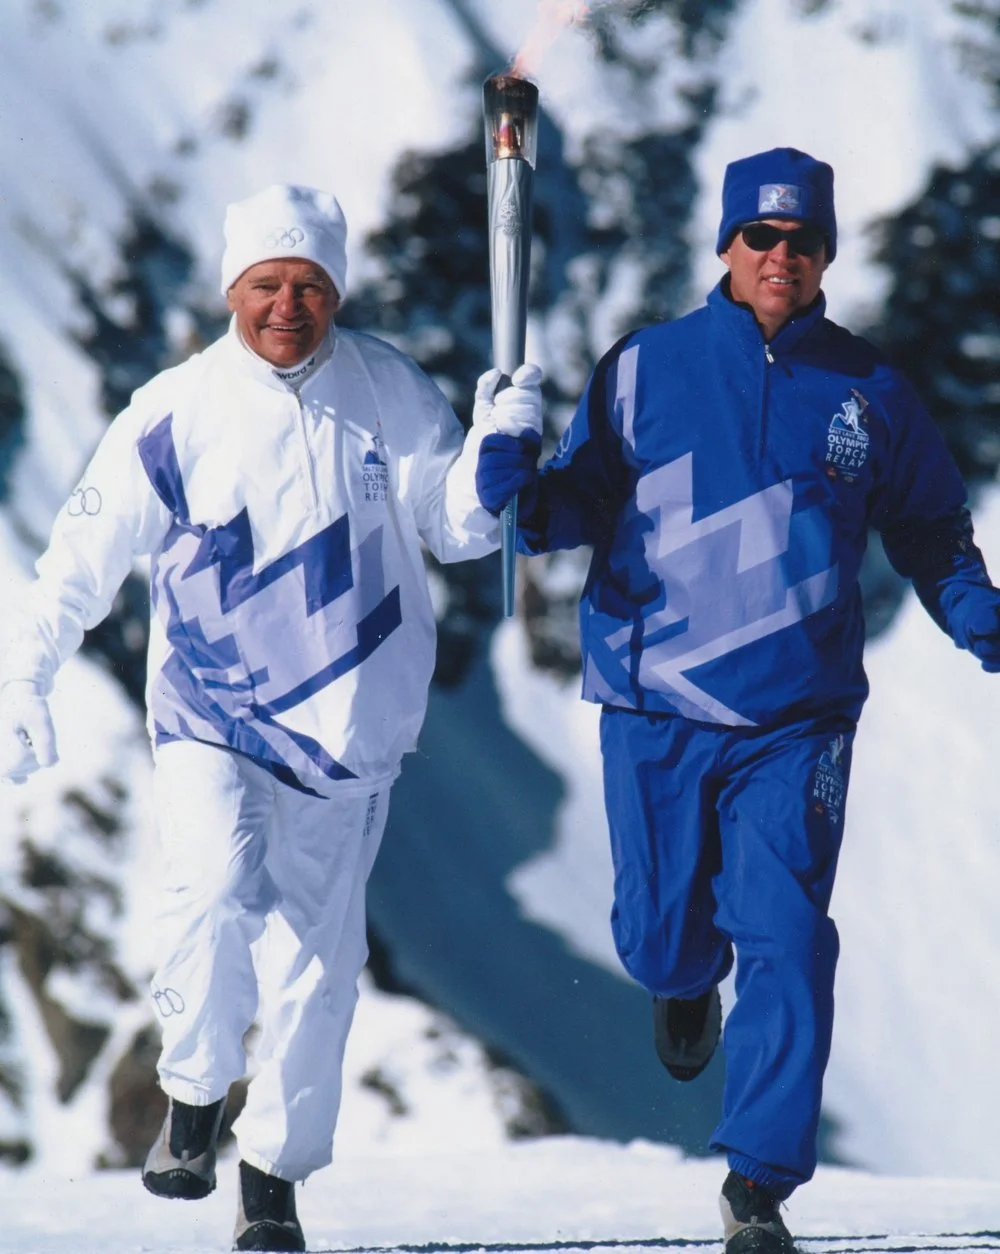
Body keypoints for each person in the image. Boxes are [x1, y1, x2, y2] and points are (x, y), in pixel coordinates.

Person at [474, 147, 1000, 1254]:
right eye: (761, 238)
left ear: (825, 257)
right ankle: (678, 979)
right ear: (725, 244)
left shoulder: (869, 391)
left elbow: (928, 532)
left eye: (802, 242)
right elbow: (572, 508)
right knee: (661, 940)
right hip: (657, 703)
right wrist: (518, 488)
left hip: (796, 719)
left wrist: (977, 614)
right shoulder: (643, 369)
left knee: (790, 935)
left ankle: (757, 1183)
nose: (781, 258)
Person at [0, 183, 542, 1253]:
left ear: (334, 291)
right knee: (207, 896)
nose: (286, 306)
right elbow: (76, 565)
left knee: (317, 970)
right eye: (265, 285)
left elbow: (459, 526)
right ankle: (194, 1097)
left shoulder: (387, 388)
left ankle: (272, 1180)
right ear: (231, 290)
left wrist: (494, 456)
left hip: (349, 735)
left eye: (308, 285)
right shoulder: (174, 410)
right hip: (214, 714)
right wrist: (25, 678)